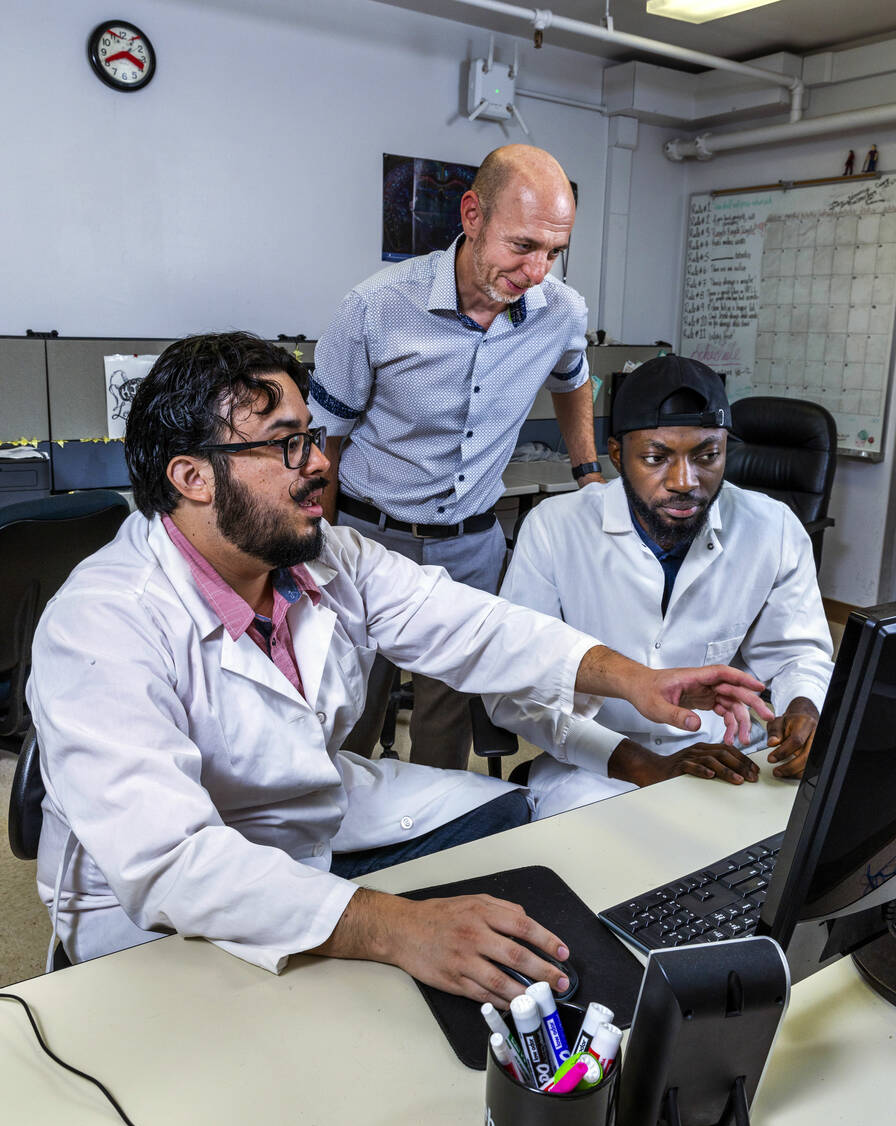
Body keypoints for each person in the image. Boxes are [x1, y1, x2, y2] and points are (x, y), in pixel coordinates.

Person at [28, 333, 773, 1001]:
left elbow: (476, 629)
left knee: (512, 815)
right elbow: (171, 862)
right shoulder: (100, 624)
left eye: (312, 437)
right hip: (156, 911)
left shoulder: (327, 559)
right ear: (192, 477)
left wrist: (633, 679)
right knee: (323, 1015)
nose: (320, 463)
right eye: (287, 445)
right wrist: (395, 929)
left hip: (313, 821)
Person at [308, 144, 605, 771]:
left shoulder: (561, 312)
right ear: (472, 215)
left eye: (555, 252)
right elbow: (323, 443)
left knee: (447, 718)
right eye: (523, 246)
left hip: (472, 545)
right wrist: (318, 548)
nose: (537, 272)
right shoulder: (376, 306)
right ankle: (336, 847)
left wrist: (588, 475)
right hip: (368, 537)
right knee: (349, 704)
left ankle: (434, 851)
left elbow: (574, 378)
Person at [487, 354, 834, 818]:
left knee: (779, 858)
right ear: (616, 454)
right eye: (656, 458)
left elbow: (798, 654)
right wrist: (644, 764)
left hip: (727, 754)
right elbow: (517, 686)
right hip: (598, 765)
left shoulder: (773, 527)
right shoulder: (554, 529)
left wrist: (804, 709)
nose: (684, 482)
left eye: (708, 456)